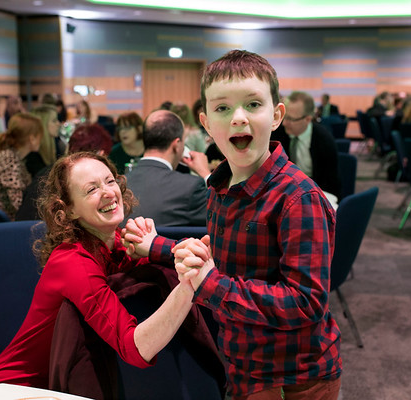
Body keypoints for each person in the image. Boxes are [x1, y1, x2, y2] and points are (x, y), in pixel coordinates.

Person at [126, 50, 341, 399]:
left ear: (277, 115)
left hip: (291, 375)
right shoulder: (220, 186)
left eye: (253, 104)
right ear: (207, 124)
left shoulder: (298, 198)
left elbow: (305, 302)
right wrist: (157, 246)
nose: (238, 118)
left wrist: (210, 283)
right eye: (223, 108)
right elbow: (222, 258)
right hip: (242, 361)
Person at [0, 152, 195, 388]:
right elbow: (135, 348)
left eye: (110, 181)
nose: (108, 193)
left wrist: (155, 245)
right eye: (91, 189)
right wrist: (187, 288)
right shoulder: (73, 261)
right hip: (19, 389)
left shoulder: (115, 242)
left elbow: (184, 260)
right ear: (69, 210)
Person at [15, 122, 114, 221]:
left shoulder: (50, 172)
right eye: (92, 189)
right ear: (101, 154)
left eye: (110, 182)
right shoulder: (74, 180)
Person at [126, 109, 209, 227]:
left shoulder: (119, 184)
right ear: (177, 145)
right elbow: (223, 217)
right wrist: (206, 174)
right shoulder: (190, 187)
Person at [272, 91, 341, 200]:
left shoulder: (324, 141)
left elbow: (331, 182)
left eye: (290, 119)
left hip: (315, 192)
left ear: (308, 119)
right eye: (284, 117)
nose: (284, 123)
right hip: (283, 191)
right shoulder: (277, 134)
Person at [0, 113, 43, 220]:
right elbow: (19, 203)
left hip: (4, 221)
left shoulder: (11, 155)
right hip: (7, 225)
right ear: (32, 138)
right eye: (40, 136)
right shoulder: (9, 160)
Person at [24, 105, 64, 177]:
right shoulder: (33, 157)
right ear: (43, 124)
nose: (58, 124)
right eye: (54, 121)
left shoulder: (54, 145)